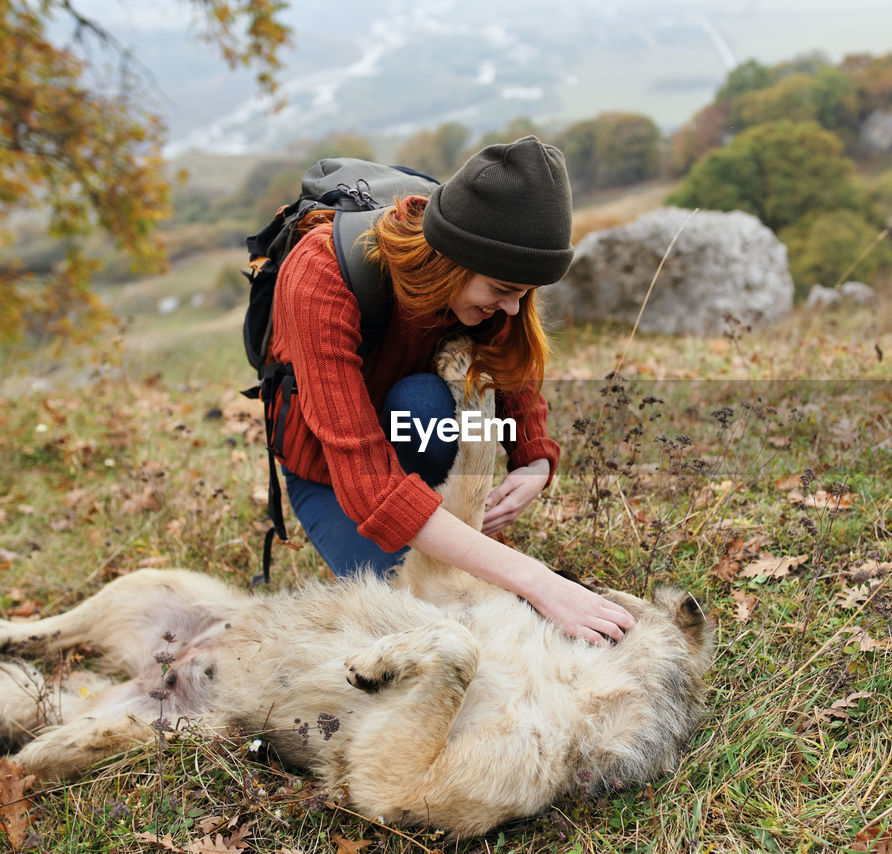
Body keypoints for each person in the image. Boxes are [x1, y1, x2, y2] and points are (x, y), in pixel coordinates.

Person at [267, 136, 635, 646]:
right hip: (333, 475)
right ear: (453, 261)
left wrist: (533, 462)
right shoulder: (321, 274)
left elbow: (513, 367)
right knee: (414, 617)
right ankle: (440, 528)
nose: (511, 308)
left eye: (524, 295)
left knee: (424, 407)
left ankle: (442, 517)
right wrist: (536, 579)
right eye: (503, 291)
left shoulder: (495, 281)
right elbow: (369, 488)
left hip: (414, 431)